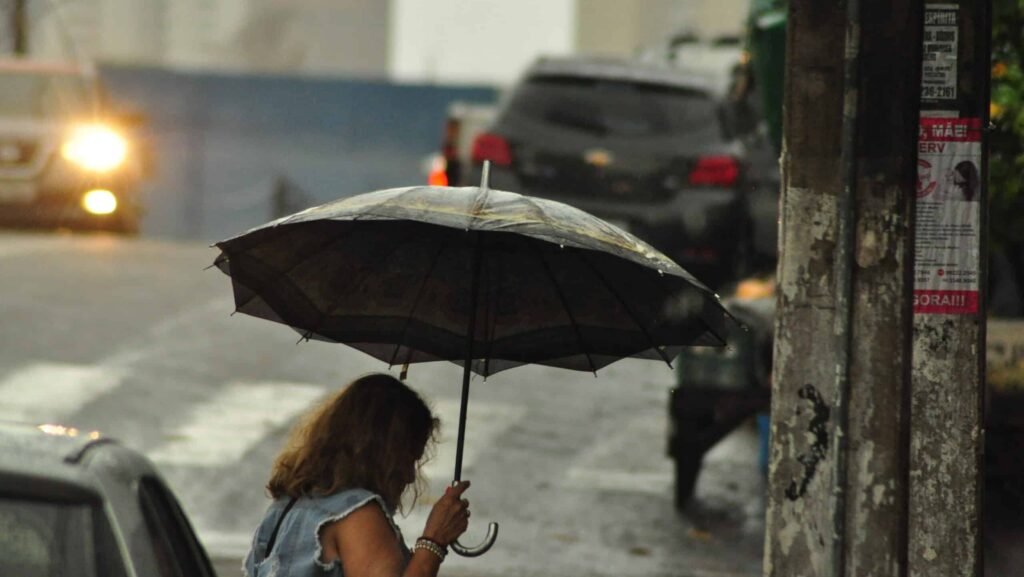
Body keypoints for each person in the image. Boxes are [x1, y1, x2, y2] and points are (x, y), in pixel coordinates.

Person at [243, 373, 471, 577]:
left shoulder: (288, 505)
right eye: (409, 459)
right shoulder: (358, 516)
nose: (410, 476)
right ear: (385, 454)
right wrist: (433, 542)